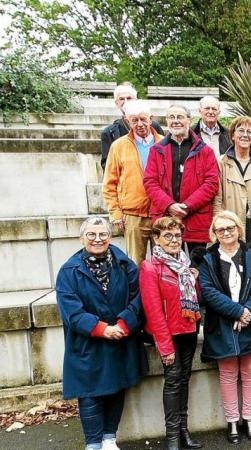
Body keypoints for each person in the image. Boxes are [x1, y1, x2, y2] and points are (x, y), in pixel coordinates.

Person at [56, 217, 146, 450]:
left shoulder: (124, 264)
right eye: (92, 235)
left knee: (116, 386)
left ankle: (109, 438)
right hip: (88, 342)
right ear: (81, 238)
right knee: (89, 394)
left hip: (120, 336)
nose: (98, 239)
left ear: (110, 237)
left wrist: (124, 324)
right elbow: (71, 311)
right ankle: (93, 443)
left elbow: (139, 298)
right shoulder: (69, 271)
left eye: (103, 234)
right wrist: (102, 329)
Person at [198, 211, 251, 444]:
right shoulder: (208, 259)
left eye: (230, 228)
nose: (226, 232)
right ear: (214, 234)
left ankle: (249, 419)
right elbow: (208, 291)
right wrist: (237, 312)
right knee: (228, 374)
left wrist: (248, 310)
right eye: (221, 230)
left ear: (239, 229)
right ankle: (232, 422)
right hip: (221, 324)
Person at [140, 217, 203, 450]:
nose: (174, 240)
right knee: (173, 381)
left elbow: (193, 300)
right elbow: (154, 311)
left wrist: (194, 279)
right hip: (169, 333)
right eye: (168, 235)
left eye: (177, 235)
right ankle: (173, 438)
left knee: (184, 379)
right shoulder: (150, 267)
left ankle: (183, 430)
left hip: (188, 328)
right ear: (156, 238)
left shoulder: (185, 264)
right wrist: (164, 346)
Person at [143, 104, 219, 256]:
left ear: (189, 120)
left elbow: (211, 183)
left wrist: (187, 206)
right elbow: (150, 182)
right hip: (165, 217)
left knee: (198, 267)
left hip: (195, 217)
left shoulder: (205, 151)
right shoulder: (156, 150)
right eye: (171, 117)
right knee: (166, 267)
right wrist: (169, 205)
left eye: (180, 117)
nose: (175, 121)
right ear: (167, 121)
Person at [102, 100, 162, 265]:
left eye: (143, 119)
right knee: (135, 264)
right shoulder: (118, 146)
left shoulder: (164, 143)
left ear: (151, 119)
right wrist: (115, 213)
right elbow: (109, 183)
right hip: (133, 216)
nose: (140, 124)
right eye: (134, 120)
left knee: (165, 262)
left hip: (160, 213)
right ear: (127, 121)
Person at [213, 115, 251, 253]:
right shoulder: (222, 162)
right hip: (232, 221)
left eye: (249, 132)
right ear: (232, 135)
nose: (245, 135)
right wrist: (219, 222)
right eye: (241, 131)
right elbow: (217, 198)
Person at [100, 83, 164, 169]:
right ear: (117, 103)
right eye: (121, 99)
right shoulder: (109, 132)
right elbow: (107, 166)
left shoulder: (153, 126)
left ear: (136, 99)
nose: (126, 101)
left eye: (129, 98)